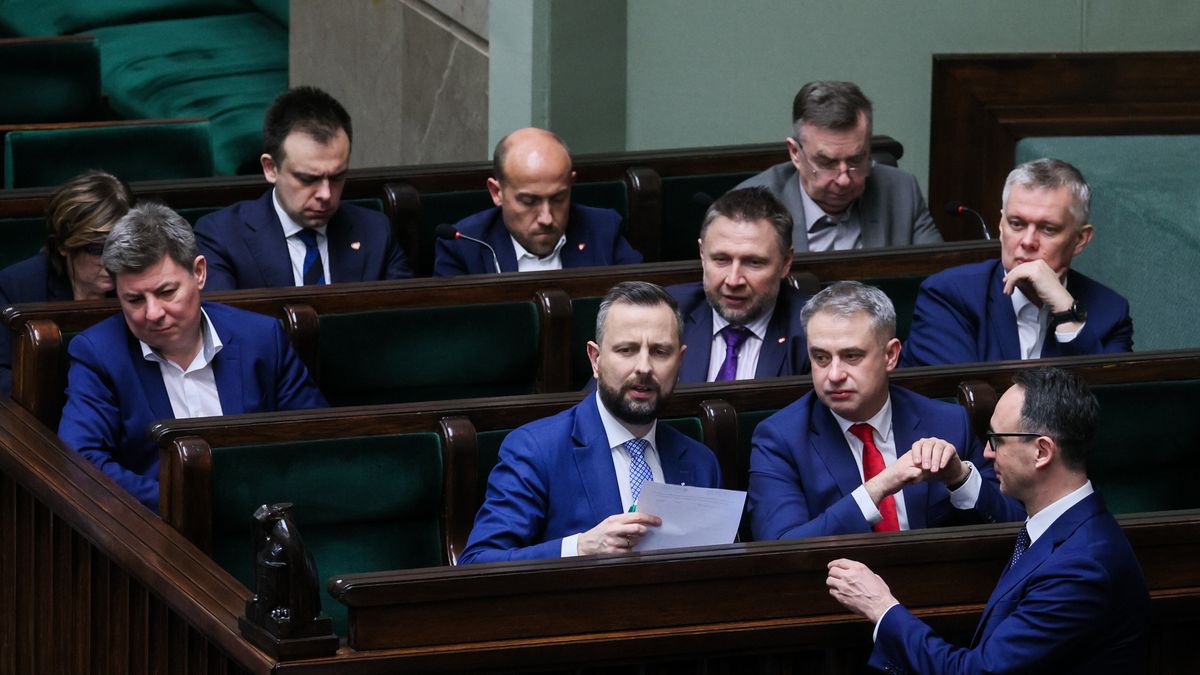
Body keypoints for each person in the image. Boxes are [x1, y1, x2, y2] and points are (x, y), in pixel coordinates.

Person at [827, 367, 1149, 674]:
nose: (987, 454)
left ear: (1042, 451)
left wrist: (882, 608)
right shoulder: (1063, 529)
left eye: (997, 440)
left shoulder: (1082, 567)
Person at [58, 203, 327, 512]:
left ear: (199, 273)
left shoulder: (262, 338)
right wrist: (184, 504)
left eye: (166, 292)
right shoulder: (99, 354)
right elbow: (80, 459)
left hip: (263, 518)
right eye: (134, 299)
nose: (153, 313)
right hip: (157, 529)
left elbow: (312, 441)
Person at [459, 281, 721, 563]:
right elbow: (478, 562)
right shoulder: (537, 451)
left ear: (679, 361)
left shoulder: (699, 462)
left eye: (660, 352)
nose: (644, 367)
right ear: (595, 359)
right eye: (626, 350)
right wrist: (580, 548)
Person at [748, 281, 1022, 541]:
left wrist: (959, 478)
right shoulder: (780, 438)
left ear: (890, 355)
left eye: (851, 356)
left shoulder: (948, 423)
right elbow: (782, 546)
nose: (833, 375)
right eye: (821, 357)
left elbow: (1014, 526)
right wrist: (880, 487)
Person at [903, 158, 1132, 367]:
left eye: (1048, 229)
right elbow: (955, 403)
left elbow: (1108, 403)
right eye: (1017, 224)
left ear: (1080, 240)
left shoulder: (1110, 312)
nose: (1028, 241)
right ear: (1001, 226)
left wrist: (1066, 313)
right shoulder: (949, 295)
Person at [194, 86, 411, 290]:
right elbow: (226, 325)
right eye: (308, 179)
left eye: (337, 177)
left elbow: (403, 320)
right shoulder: (222, 237)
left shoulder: (376, 232)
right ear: (270, 168)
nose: (326, 194)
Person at [737, 81, 941, 253]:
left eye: (855, 161)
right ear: (795, 154)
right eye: (827, 163)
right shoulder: (750, 207)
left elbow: (936, 280)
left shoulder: (902, 192)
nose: (844, 179)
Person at [434, 127, 643, 276]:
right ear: (497, 192)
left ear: (571, 184)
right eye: (529, 201)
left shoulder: (603, 230)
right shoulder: (463, 246)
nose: (546, 218)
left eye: (558, 198)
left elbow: (643, 303)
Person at [0, 170, 133, 395]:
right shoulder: (18, 287)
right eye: (97, 249)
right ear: (62, 245)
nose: (112, 260)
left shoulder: (140, 281)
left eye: (121, 246)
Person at [668, 186, 810, 383]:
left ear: (786, 262)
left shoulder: (811, 332)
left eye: (754, 262)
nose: (733, 281)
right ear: (702, 254)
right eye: (721, 259)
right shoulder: (667, 316)